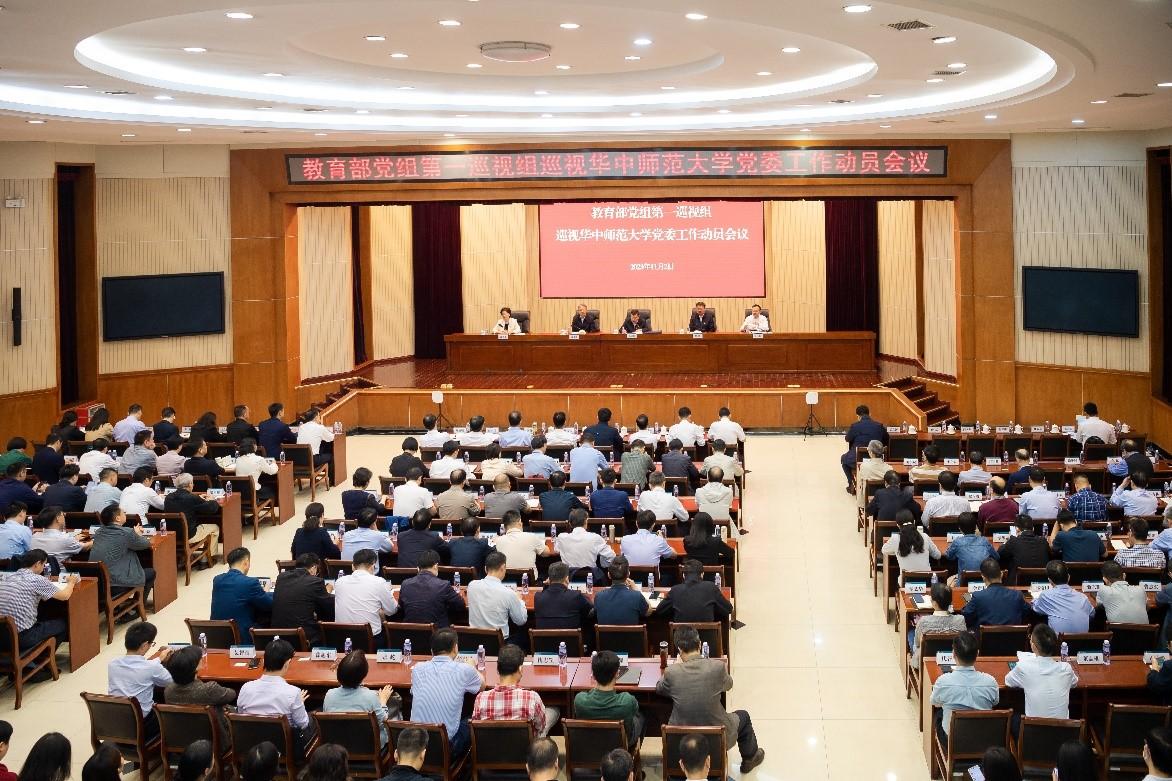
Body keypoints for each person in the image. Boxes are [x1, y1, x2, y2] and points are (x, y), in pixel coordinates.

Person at [657, 625, 765, 773]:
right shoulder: (717, 667)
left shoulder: (671, 672)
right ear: (700, 644)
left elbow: (660, 688)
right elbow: (729, 684)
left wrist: (675, 666)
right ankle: (749, 759)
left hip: (681, 739)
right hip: (716, 738)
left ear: (679, 650)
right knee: (743, 716)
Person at [409, 628, 484, 757]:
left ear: (432, 651)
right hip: (446, 748)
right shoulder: (465, 670)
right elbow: (482, 686)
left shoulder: (417, 669)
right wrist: (472, 666)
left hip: (416, 744)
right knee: (473, 719)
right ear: (455, 648)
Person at [236, 639, 316, 759]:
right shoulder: (293, 693)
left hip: (253, 747)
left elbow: (241, 716)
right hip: (284, 749)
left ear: (264, 661)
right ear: (287, 663)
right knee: (315, 716)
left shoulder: (245, 688)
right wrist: (299, 703)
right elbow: (303, 724)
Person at [472, 644, 558, 736]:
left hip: (492, 744)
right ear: (521, 669)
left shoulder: (481, 698)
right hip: (527, 745)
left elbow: (476, 728)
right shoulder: (531, 697)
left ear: (497, 670)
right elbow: (540, 726)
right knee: (554, 711)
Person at [928, 631, 998, 744]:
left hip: (952, 741)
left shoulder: (943, 681)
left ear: (953, 654)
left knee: (938, 714)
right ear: (977, 654)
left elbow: (934, 703)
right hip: (983, 740)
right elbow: (995, 702)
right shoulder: (991, 682)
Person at [107, 622, 173, 741]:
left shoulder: (113, 664)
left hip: (117, 723)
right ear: (144, 645)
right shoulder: (151, 668)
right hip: (143, 725)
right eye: (151, 644)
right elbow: (172, 682)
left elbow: (140, 667)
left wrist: (158, 659)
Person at [0, 549, 78, 649]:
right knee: (63, 624)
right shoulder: (37, 579)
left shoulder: (6, 577)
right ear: (37, 564)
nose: (43, 569)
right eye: (43, 565)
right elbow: (65, 596)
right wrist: (71, 582)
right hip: (19, 638)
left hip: (2, 636)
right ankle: (44, 656)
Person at [162, 645, 236, 745]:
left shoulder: (168, 690)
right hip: (215, 743)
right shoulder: (210, 689)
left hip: (181, 741)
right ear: (196, 667)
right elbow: (232, 694)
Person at [324, 650, 400, 747]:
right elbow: (383, 722)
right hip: (368, 747)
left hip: (338, 747)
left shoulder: (329, 695)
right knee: (395, 710)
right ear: (364, 674)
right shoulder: (370, 696)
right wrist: (383, 701)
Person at [573, 650, 643, 749]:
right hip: (620, 745)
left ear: (593, 675)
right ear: (617, 674)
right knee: (642, 716)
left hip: (591, 745)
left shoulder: (579, 700)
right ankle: (631, 751)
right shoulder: (627, 700)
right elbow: (635, 709)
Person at [1006, 624, 1078, 718]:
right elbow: (1074, 683)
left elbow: (1008, 681)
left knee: (1013, 716)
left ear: (1033, 646)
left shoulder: (1023, 667)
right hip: (1063, 727)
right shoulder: (1066, 668)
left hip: (1032, 727)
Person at [91, 503, 155, 599]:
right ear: (118, 518)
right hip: (116, 583)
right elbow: (146, 544)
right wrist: (137, 534)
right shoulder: (126, 533)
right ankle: (138, 605)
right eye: (123, 513)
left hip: (98, 582)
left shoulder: (98, 532)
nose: (125, 514)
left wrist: (134, 534)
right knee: (151, 573)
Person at [270, 553, 334, 646]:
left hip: (278, 635)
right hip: (303, 637)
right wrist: (327, 591)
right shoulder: (315, 581)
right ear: (314, 568)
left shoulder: (281, 577)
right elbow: (327, 606)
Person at [334, 548, 398, 639]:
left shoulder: (339, 582)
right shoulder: (379, 582)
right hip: (370, 638)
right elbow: (392, 611)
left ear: (352, 566)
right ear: (373, 566)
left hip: (341, 637)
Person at [210, 547, 273, 637]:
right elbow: (269, 605)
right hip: (242, 637)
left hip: (217, 636)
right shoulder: (250, 583)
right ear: (246, 562)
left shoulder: (217, 580)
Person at [467, 551, 527, 640]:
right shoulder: (509, 593)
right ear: (503, 567)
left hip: (473, 640)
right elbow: (521, 621)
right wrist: (520, 600)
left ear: (485, 569)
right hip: (499, 643)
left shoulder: (471, 585)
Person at [163, 472, 222, 563]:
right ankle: (206, 560)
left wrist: (198, 498)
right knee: (215, 527)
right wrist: (212, 500)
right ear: (190, 484)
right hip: (189, 535)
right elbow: (212, 509)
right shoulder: (191, 498)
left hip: (172, 535)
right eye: (192, 483)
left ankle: (184, 557)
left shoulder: (168, 498)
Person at [399, 549, 465, 628]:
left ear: (418, 568)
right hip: (438, 633)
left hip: (410, 632)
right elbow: (460, 605)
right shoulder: (443, 585)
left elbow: (402, 606)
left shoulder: (405, 584)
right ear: (436, 566)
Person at [654, 558, 732, 623]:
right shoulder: (711, 587)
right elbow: (728, 609)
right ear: (702, 574)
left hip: (681, 636)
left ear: (684, 575)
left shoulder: (675, 590)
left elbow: (660, 610)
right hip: (707, 636)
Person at [910, 583, 967, 668]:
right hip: (954, 660)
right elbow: (963, 642)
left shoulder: (923, 621)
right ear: (951, 602)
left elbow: (918, 644)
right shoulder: (960, 620)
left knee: (911, 633)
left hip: (926, 661)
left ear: (934, 603)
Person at [961, 558, 1029, 629]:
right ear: (1001, 574)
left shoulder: (977, 596)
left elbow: (966, 615)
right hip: (1014, 636)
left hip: (984, 636)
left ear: (983, 577)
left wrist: (969, 601)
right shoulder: (1017, 595)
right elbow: (1027, 611)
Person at [1030, 560, 1094, 633]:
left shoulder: (1046, 595)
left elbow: (1035, 608)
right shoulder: (1083, 598)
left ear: (1050, 580)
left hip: (1058, 640)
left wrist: (1035, 599)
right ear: (1069, 577)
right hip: (1083, 640)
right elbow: (1092, 614)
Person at [841, 404, 888, 494]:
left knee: (844, 460)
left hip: (856, 459)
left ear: (858, 416)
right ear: (870, 414)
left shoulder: (855, 426)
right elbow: (886, 440)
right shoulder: (879, 426)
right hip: (877, 458)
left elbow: (847, 439)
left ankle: (852, 484)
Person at [555, 509, 615, 578]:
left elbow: (556, 550)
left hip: (569, 579)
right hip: (591, 579)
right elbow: (611, 556)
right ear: (586, 521)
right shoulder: (595, 537)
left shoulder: (561, 537)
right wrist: (603, 564)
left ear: (570, 524)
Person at [533, 562, 593, 629]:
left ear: (549, 579)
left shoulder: (538, 597)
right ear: (567, 579)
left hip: (544, 636)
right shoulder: (575, 596)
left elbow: (546, 595)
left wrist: (546, 586)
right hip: (571, 636)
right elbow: (590, 610)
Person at [881, 514, 942, 579]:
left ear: (898, 525)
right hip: (926, 580)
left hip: (906, 581)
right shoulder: (925, 536)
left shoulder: (895, 539)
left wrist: (897, 550)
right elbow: (938, 555)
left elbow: (884, 550)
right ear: (914, 522)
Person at [593, 557, 650, 625]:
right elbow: (648, 612)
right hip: (630, 632)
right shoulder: (637, 596)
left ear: (609, 575)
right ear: (628, 574)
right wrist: (637, 590)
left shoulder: (599, 596)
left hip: (605, 632)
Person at [998, 514, 1051, 583]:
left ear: (1017, 529)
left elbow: (999, 553)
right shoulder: (1043, 541)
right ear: (1033, 528)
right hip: (1042, 582)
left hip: (1018, 583)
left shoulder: (1013, 541)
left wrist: (1009, 539)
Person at [1097, 559, 1150, 623]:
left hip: (1116, 629)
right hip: (1144, 629)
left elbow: (1099, 604)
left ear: (1104, 579)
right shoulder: (1140, 589)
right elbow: (1147, 607)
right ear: (1124, 575)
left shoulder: (1103, 590)